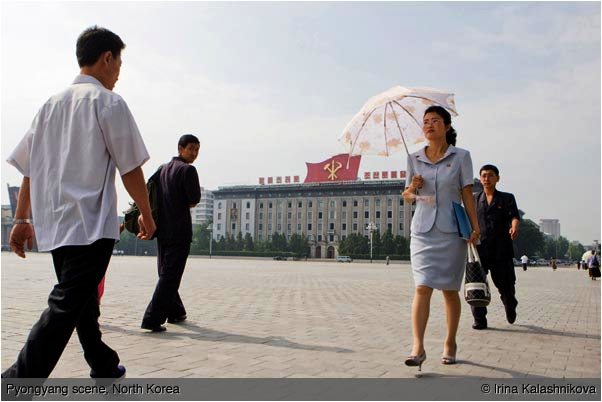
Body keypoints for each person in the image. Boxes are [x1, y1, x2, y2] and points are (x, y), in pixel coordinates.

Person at [2, 26, 155, 378]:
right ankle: (16, 380)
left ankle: (101, 361)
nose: (118, 72)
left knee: (80, 299)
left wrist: (22, 221)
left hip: (56, 225)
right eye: (119, 63)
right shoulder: (109, 102)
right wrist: (146, 214)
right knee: (67, 302)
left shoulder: (48, 106)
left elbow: (29, 170)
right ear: (107, 58)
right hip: (90, 224)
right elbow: (130, 167)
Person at [402, 105, 479, 369]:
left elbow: (467, 193)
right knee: (422, 287)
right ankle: (418, 347)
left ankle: (450, 342)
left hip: (451, 231)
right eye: (425, 122)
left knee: (449, 290)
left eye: (435, 121)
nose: (429, 125)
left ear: (447, 126)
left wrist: (474, 226)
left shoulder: (461, 157)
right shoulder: (413, 158)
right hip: (422, 231)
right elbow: (407, 196)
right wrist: (414, 187)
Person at [141, 135, 201, 332]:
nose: (194, 153)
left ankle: (176, 312)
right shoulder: (188, 170)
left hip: (162, 230)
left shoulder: (163, 169)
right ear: (180, 148)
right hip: (180, 230)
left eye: (197, 149)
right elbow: (193, 200)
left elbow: (150, 190)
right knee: (170, 276)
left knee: (165, 272)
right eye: (191, 148)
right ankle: (152, 318)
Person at [470, 165, 521, 331]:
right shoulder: (474, 199)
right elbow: (468, 219)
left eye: (490, 175)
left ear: (497, 178)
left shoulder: (507, 198)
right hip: (479, 250)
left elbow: (514, 216)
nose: (486, 178)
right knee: (476, 284)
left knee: (505, 285)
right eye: (483, 175)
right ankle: (480, 320)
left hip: (501, 249)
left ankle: (510, 304)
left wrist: (514, 226)